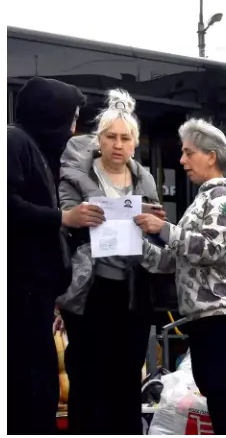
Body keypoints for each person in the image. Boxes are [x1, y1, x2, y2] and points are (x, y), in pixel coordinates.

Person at [135, 118, 226, 435]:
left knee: (222, 383)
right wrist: (135, 242)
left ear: (211, 156)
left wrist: (161, 228)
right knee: (211, 382)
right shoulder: (203, 198)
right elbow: (174, 260)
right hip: (202, 310)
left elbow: (209, 249)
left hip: (223, 306)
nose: (182, 161)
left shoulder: (225, 198)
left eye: (189, 153)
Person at [57, 90, 163, 434]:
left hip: (133, 292)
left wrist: (153, 223)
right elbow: (61, 224)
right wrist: (76, 217)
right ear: (98, 140)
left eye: (125, 138)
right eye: (110, 136)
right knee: (87, 375)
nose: (118, 144)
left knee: (127, 375)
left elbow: (156, 233)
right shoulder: (77, 175)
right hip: (89, 292)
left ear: (135, 143)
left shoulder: (144, 179)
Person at [7, 77, 102, 435]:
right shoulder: (14, 140)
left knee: (40, 381)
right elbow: (8, 206)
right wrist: (63, 217)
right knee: (31, 384)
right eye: (71, 117)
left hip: (35, 294)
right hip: (20, 292)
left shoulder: (33, 148)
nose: (74, 127)